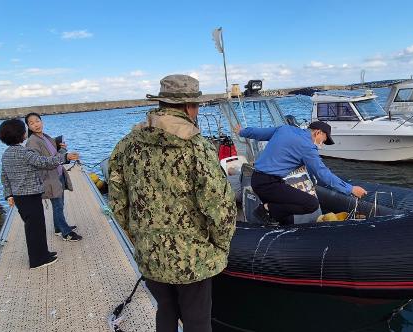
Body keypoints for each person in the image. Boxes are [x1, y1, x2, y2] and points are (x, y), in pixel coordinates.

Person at [108, 74, 237, 332]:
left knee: (165, 311)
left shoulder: (127, 144)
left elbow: (117, 202)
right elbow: (220, 208)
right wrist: (220, 246)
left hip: (149, 252)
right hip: (194, 257)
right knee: (197, 321)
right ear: (190, 106)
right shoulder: (197, 147)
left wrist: (140, 237)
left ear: (162, 104)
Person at [234, 121, 367, 225]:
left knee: (287, 215)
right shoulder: (308, 148)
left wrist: (241, 132)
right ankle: (265, 209)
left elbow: (258, 133)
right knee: (311, 204)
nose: (322, 144)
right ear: (317, 133)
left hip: (259, 179)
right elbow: (323, 174)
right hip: (269, 184)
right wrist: (351, 189)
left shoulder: (284, 129)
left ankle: (276, 226)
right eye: (324, 140)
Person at [0, 119, 79, 269]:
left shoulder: (6, 154)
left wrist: (8, 195)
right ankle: (38, 260)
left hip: (20, 197)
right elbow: (44, 162)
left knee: (34, 227)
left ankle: (43, 253)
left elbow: (4, 176)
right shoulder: (25, 152)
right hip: (31, 196)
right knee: (35, 228)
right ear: (21, 135)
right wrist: (65, 157)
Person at [25, 113, 82, 242]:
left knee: (60, 204)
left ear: (41, 121)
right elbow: (40, 161)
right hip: (49, 179)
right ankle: (66, 232)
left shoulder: (46, 137)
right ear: (28, 126)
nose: (36, 124)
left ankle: (58, 227)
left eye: (37, 121)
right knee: (57, 205)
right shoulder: (32, 142)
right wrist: (65, 157)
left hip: (58, 175)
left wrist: (62, 150)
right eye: (32, 123)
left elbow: (55, 155)